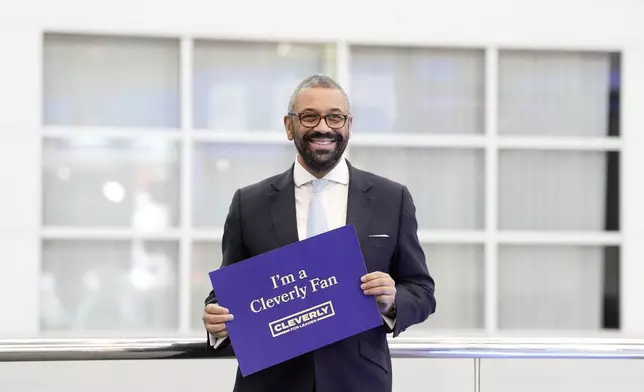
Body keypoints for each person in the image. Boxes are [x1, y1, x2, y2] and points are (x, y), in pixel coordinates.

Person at [203, 74, 436, 392]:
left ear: (348, 125)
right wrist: (217, 320)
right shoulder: (249, 203)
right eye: (309, 116)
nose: (323, 127)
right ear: (289, 126)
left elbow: (422, 290)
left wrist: (394, 301)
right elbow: (228, 292)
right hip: (270, 382)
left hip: (358, 381)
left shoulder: (391, 199)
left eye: (335, 117)